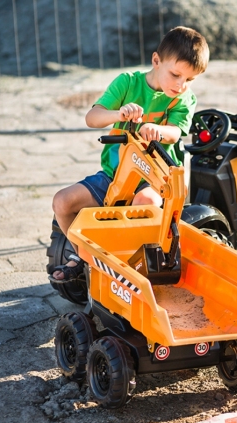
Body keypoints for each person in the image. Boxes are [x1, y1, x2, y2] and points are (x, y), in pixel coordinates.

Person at [49, 26, 210, 283]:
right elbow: (92, 118)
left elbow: (176, 133)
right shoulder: (127, 83)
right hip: (115, 175)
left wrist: (156, 129)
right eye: (176, 75)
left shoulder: (183, 99)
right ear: (156, 61)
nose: (181, 85)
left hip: (157, 179)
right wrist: (118, 114)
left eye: (189, 80)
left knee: (143, 204)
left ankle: (130, 268)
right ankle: (84, 256)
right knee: (62, 202)